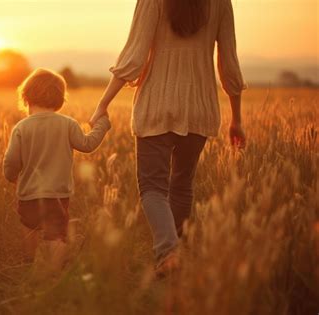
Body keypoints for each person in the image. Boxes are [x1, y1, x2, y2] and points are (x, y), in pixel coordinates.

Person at [89, 0, 247, 277]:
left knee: (152, 187)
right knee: (182, 184)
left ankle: (168, 253)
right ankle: (176, 252)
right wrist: (237, 118)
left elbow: (134, 58)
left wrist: (103, 104)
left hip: (155, 106)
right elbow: (229, 64)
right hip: (200, 107)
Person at [4, 68, 111, 274]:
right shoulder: (68, 124)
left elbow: (11, 161)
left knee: (29, 225)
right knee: (56, 234)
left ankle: (28, 263)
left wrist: (11, 177)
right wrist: (102, 125)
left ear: (26, 97)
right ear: (60, 99)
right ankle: (55, 272)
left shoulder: (21, 128)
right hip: (57, 194)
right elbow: (87, 144)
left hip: (28, 193)